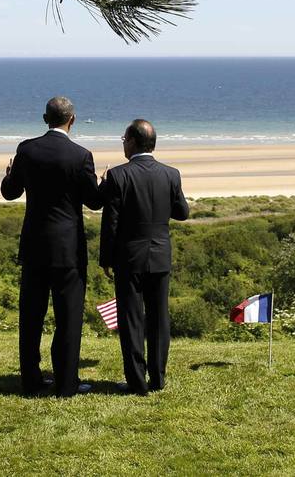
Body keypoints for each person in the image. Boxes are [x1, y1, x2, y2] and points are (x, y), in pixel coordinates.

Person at [1, 96, 102, 397]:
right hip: (68, 249)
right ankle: (67, 384)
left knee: (30, 317)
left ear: (44, 119)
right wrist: (102, 182)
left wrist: (8, 175)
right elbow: (94, 202)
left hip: (34, 246)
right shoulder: (81, 155)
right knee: (68, 319)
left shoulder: (26, 149)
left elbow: (10, 192)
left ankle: (31, 381)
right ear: (72, 120)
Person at [98, 119, 190, 394]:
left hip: (129, 257)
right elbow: (182, 212)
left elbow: (110, 223)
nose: (123, 143)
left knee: (132, 319)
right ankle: (158, 379)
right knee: (159, 318)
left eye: (124, 139)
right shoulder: (171, 174)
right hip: (160, 255)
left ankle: (137, 381)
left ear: (134, 142)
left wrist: (106, 259)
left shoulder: (118, 175)